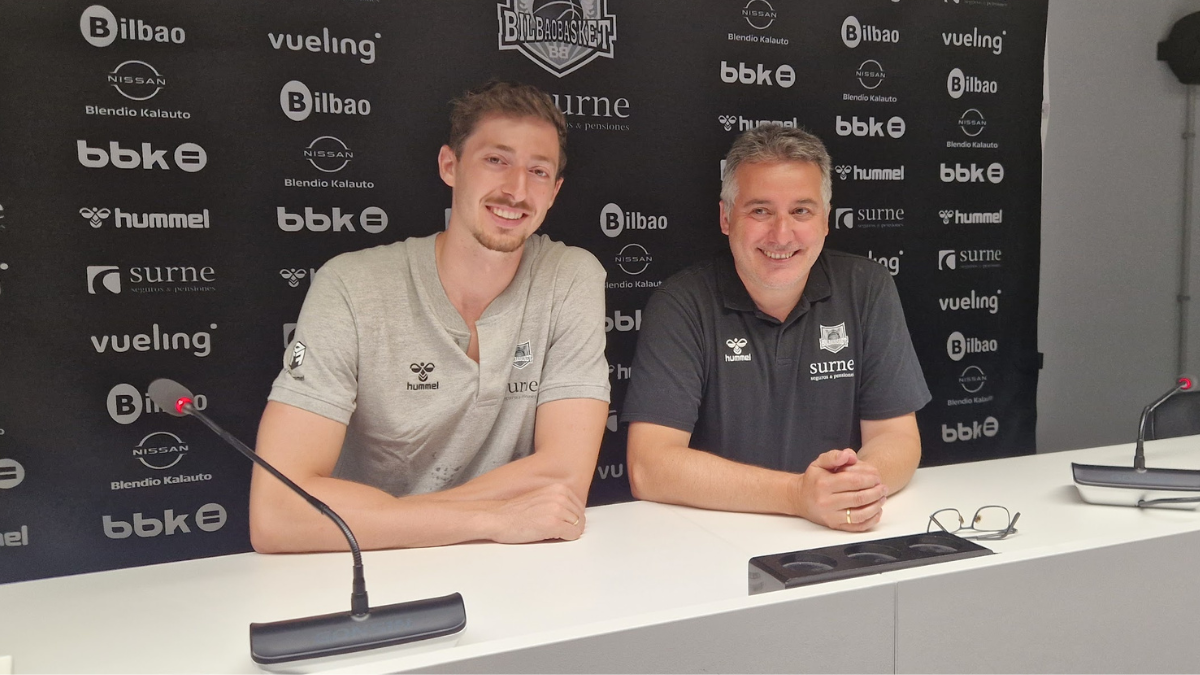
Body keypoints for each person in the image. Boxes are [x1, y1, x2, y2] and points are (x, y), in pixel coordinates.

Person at [250, 82, 610, 552]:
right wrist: (489, 518)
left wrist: (397, 518)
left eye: (538, 171)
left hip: (508, 564)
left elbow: (563, 476)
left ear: (555, 191)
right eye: (496, 160)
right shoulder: (351, 285)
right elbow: (279, 512)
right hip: (370, 568)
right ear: (450, 166)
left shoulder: (571, 277)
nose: (517, 190)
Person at [622, 123, 930, 531]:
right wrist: (797, 495)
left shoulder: (867, 287)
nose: (781, 234)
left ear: (825, 221)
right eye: (760, 211)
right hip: (717, 539)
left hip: (837, 531)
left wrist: (848, 489)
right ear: (726, 217)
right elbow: (650, 466)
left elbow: (898, 439)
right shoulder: (682, 303)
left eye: (801, 210)